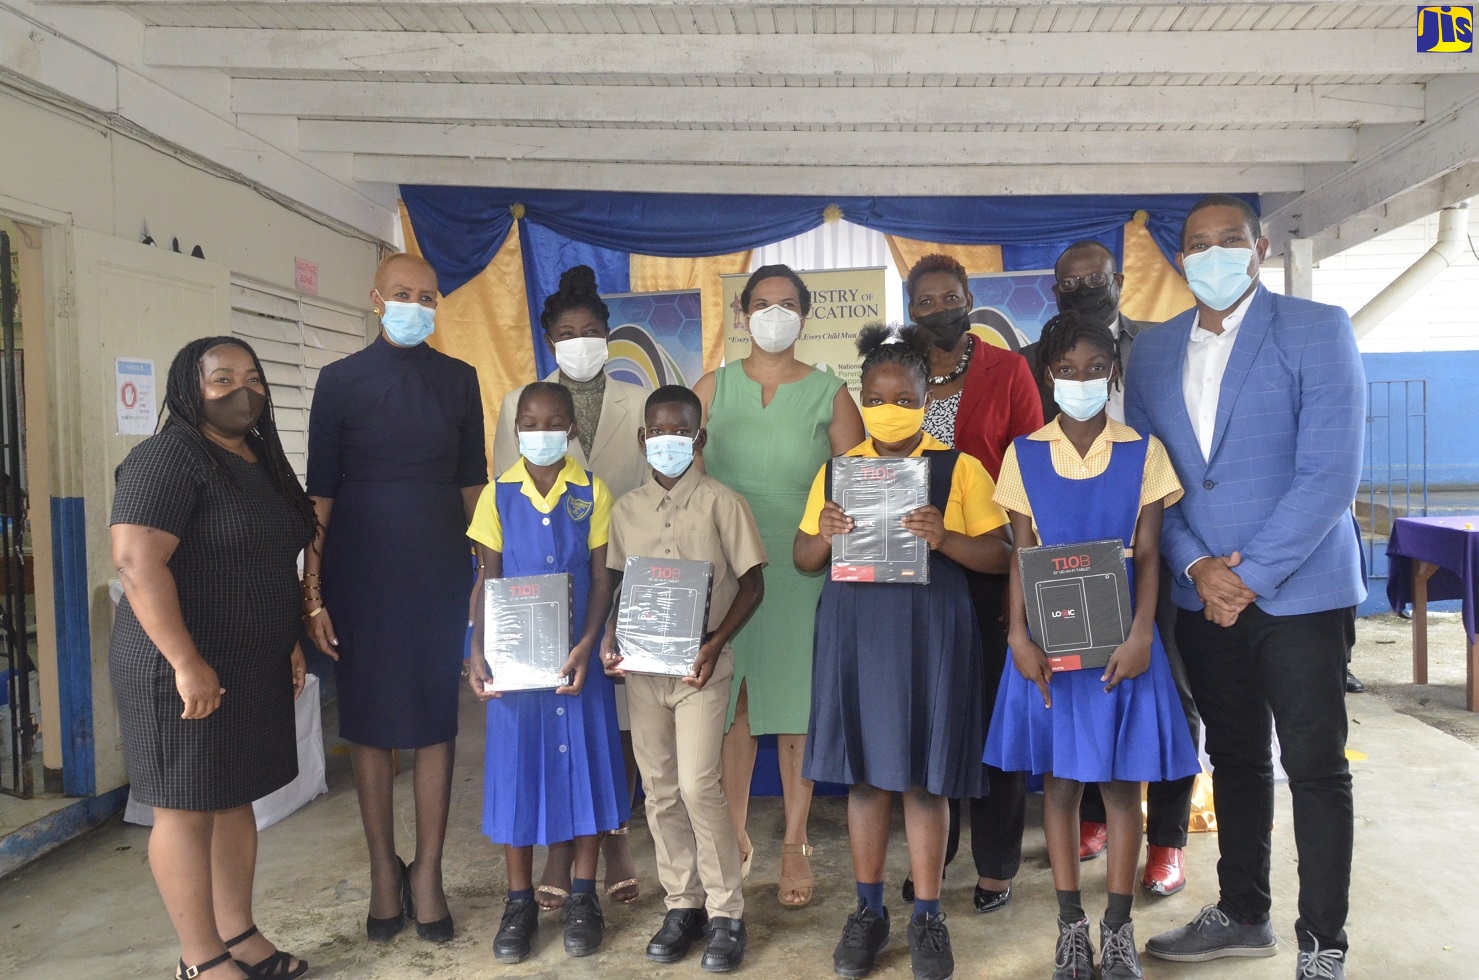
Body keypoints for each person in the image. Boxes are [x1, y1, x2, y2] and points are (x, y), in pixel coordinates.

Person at [1127, 195, 1365, 979]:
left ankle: (1321, 940)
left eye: (1229, 239)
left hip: (1298, 591)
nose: (1214, 253)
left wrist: (1249, 575)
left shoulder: (1315, 328)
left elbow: (1329, 473)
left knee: (1314, 764)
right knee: (1232, 756)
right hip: (1204, 593)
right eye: (1197, 243)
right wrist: (1198, 567)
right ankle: (1242, 912)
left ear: (1258, 247)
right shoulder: (1153, 351)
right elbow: (1152, 475)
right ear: (1180, 259)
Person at [985, 310, 1200, 980]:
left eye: (1093, 369)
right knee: (1056, 786)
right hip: (1049, 653)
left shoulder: (1144, 452)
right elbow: (1021, 554)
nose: (1079, 380)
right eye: (1065, 370)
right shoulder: (1023, 454)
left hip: (1119, 650)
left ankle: (1117, 928)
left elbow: (1146, 558)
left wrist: (1140, 636)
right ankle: (1069, 927)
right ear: (1047, 375)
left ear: (1112, 373)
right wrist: (1017, 636)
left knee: (1117, 786)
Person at [797, 324, 1012, 980]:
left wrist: (944, 539)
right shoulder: (839, 471)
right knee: (864, 778)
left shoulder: (960, 468)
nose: (888, 408)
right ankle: (867, 912)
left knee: (924, 780)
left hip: (930, 638)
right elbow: (803, 556)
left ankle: (926, 914)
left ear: (927, 397)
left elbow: (1001, 557)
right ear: (860, 398)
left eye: (902, 396)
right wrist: (828, 533)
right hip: (858, 634)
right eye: (875, 397)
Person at [109, 337, 317, 980]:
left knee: (235, 799)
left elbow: (265, 558)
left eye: (251, 377)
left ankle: (240, 934)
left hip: (248, 659)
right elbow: (136, 563)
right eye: (220, 378)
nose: (241, 390)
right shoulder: (167, 458)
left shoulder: (257, 457)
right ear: (186, 387)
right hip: (179, 667)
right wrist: (186, 662)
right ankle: (200, 959)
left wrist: (285, 639)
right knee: (184, 805)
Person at [304, 252, 486, 943]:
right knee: (371, 723)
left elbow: (473, 485)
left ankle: (428, 873)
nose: (417, 304)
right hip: (358, 570)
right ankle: (384, 870)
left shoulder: (459, 380)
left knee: (435, 720)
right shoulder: (339, 381)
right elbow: (320, 492)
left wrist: (487, 576)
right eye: (403, 293)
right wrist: (311, 591)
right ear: (375, 298)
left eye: (428, 296)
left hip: (439, 569)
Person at [1026, 241, 1203, 897]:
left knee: (1167, 703)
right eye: (1068, 282)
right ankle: (1093, 822)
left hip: (1149, 552)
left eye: (1093, 278)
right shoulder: (1037, 358)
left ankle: (1166, 843)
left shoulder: (1159, 348)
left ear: (1118, 279)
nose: (1082, 289)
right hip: (1066, 562)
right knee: (1083, 693)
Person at [696, 263, 864, 909]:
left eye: (786, 304)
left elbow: (856, 482)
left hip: (801, 564)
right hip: (729, 565)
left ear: (804, 314)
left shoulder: (829, 393)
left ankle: (794, 843)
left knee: (794, 709)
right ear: (741, 314)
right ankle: (734, 835)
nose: (773, 314)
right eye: (761, 303)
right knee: (733, 707)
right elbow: (687, 470)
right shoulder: (712, 386)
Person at [492, 264, 645, 910]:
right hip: (540, 592)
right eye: (565, 332)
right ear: (549, 341)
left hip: (620, 575)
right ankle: (563, 845)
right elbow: (508, 499)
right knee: (560, 710)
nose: (579, 340)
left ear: (608, 337)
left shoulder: (641, 401)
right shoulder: (519, 405)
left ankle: (615, 837)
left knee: (622, 718)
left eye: (590, 331)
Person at [601, 385, 766, 973]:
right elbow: (617, 588)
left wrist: (715, 643)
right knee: (660, 789)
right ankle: (682, 903)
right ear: (643, 439)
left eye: (680, 432)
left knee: (699, 787)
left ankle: (726, 912)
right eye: (656, 432)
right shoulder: (625, 509)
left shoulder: (724, 502)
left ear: (698, 439)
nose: (667, 442)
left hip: (702, 671)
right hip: (645, 673)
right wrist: (607, 641)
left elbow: (753, 584)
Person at [467, 382, 628, 964]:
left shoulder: (592, 491)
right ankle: (518, 902)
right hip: (516, 668)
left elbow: (604, 577)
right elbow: (485, 578)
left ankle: (584, 894)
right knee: (517, 775)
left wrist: (588, 644)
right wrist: (476, 649)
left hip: (575, 666)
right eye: (529, 422)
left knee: (585, 772)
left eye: (553, 421)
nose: (540, 431)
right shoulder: (496, 495)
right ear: (516, 432)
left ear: (572, 431)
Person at [902, 254, 1044, 912]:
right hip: (914, 568)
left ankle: (994, 863)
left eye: (949, 297)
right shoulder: (895, 369)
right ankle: (937, 853)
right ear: (910, 310)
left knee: (992, 720)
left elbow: (1031, 469)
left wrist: (1018, 556)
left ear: (969, 299)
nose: (938, 309)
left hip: (989, 563)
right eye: (925, 301)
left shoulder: (1006, 370)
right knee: (928, 720)